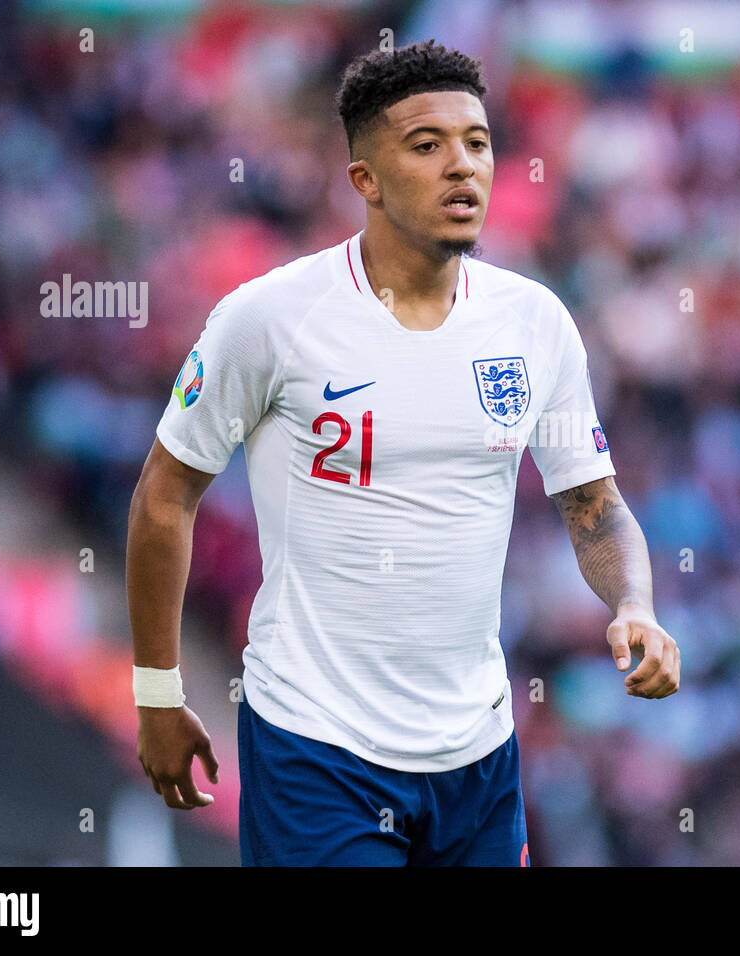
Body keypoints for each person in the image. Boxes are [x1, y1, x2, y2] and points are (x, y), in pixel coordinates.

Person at [125, 38, 680, 867]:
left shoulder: (534, 324)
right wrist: (157, 693)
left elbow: (593, 503)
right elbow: (166, 494)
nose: (463, 167)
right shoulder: (270, 319)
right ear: (366, 180)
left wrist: (633, 602)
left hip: (478, 757)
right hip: (317, 749)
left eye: (478, 143)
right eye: (428, 146)